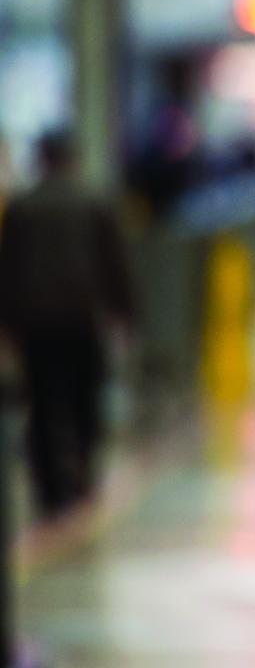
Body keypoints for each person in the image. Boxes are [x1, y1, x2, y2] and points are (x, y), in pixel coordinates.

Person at [0, 130, 133, 516]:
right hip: (82, 317)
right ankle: (82, 473)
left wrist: (6, 321)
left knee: (41, 403)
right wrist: (124, 312)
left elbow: (7, 270)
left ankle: (49, 486)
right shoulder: (95, 202)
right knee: (85, 397)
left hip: (35, 322)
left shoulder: (22, 206)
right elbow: (115, 264)